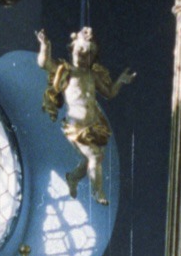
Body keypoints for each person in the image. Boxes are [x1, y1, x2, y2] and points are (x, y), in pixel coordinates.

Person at [37, 27, 135, 207]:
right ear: (72, 47)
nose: (84, 55)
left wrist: (120, 81)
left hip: (93, 125)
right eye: (81, 49)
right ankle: (97, 191)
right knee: (95, 157)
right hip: (76, 127)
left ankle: (72, 178)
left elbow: (109, 93)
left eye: (89, 53)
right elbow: (44, 64)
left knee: (89, 158)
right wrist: (45, 46)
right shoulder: (66, 71)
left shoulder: (92, 75)